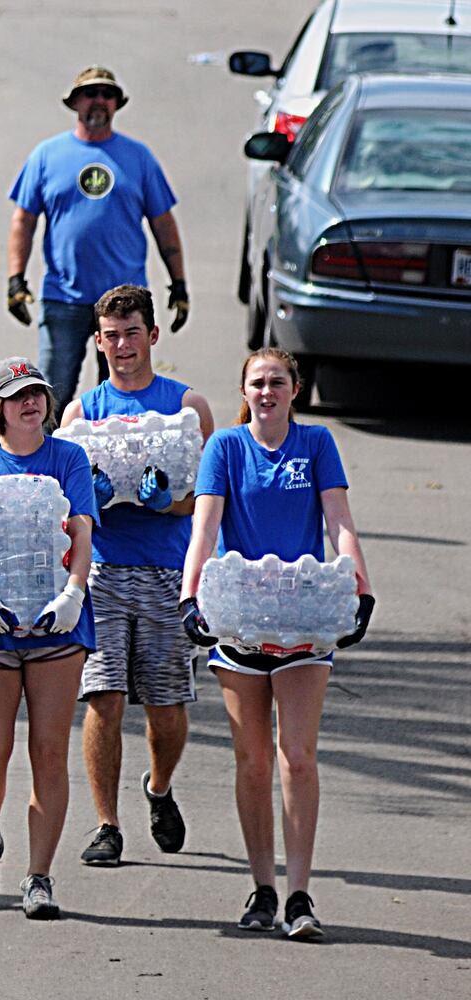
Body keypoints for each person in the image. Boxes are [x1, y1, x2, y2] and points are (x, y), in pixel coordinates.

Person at [180, 348, 375, 940]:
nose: (267, 391)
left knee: (299, 757)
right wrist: (192, 598)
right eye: (257, 383)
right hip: (240, 620)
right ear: (245, 390)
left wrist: (359, 588)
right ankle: (262, 886)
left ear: (296, 388)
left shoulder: (316, 445)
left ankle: (299, 895)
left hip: (304, 620)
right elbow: (205, 526)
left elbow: (338, 519)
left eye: (278, 382)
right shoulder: (226, 448)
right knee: (253, 760)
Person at [60, 285, 214, 867]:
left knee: (167, 706)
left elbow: (204, 501)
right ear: (97, 343)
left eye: (132, 333)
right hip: (101, 571)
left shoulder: (188, 408)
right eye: (111, 336)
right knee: (103, 697)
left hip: (167, 573)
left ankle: (158, 788)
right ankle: (106, 824)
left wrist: (167, 500)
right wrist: (91, 501)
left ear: (153, 335)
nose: (122, 346)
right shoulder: (80, 414)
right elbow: (66, 511)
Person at [0, 357, 96, 919]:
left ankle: (39, 877)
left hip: (58, 620)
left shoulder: (69, 457)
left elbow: (81, 529)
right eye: (17, 397)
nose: (30, 402)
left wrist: (75, 592)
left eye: (36, 393)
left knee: (49, 752)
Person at [5, 66, 189, 416]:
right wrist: (16, 279)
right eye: (90, 93)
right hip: (65, 296)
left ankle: (117, 468)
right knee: (52, 396)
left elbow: (163, 222)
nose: (99, 101)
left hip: (124, 302)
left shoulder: (139, 157)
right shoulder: (47, 155)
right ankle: (52, 468)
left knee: (126, 398)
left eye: (107, 94)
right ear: (75, 102)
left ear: (117, 104)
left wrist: (178, 284)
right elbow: (23, 220)